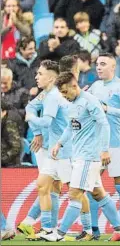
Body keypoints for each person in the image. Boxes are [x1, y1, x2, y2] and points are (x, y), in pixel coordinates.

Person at [41, 72, 120, 242]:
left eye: (65, 92)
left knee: (74, 193)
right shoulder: (72, 103)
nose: (64, 96)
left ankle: (59, 233)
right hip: (80, 155)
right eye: (62, 93)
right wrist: (59, 143)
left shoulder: (89, 101)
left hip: (89, 156)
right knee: (98, 194)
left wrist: (104, 150)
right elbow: (70, 126)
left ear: (75, 86)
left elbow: (104, 124)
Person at [22, 60, 73, 240]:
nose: (36, 77)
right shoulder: (46, 94)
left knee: (75, 192)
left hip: (65, 151)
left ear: (51, 78)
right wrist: (37, 132)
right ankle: (47, 229)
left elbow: (46, 122)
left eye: (40, 74)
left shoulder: (53, 96)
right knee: (44, 185)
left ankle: (88, 230)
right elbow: (30, 106)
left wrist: (31, 119)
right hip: (54, 151)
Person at [88, 52, 120, 232]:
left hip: (118, 143)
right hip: (98, 145)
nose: (99, 67)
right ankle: (93, 229)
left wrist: (106, 108)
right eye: (97, 64)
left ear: (113, 67)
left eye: (103, 64)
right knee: (91, 186)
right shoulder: (94, 86)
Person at [1, 99, 22, 167]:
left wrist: (3, 159)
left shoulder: (10, 124)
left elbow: (16, 148)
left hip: (10, 165)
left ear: (4, 112)